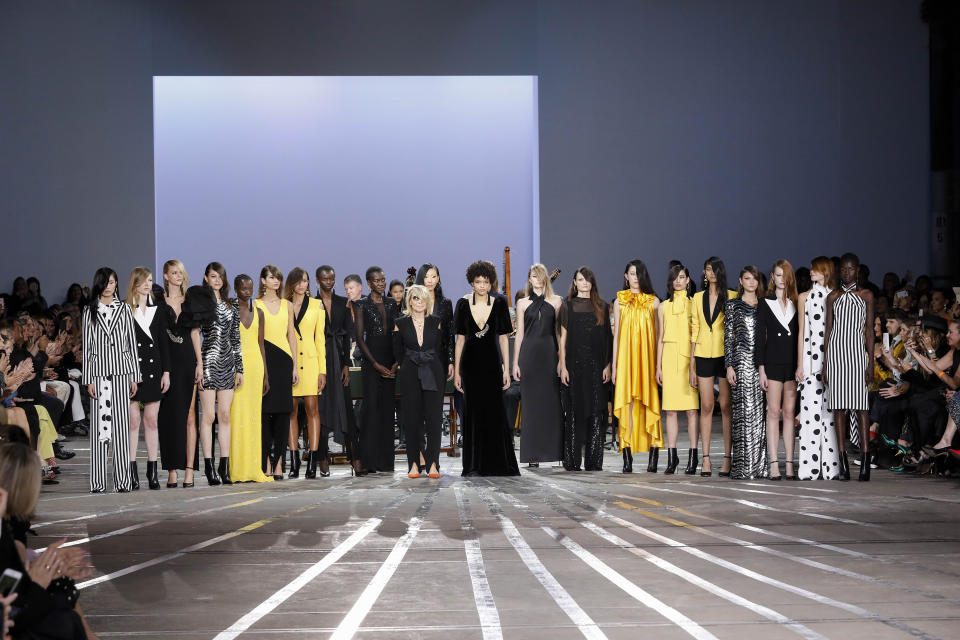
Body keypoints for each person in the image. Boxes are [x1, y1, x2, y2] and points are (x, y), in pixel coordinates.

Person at [0, 444, 98, 640]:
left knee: (64, 605)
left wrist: (44, 567)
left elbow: (7, 584)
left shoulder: (6, 526)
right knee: (63, 621)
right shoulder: (9, 528)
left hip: (13, 611)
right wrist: (36, 581)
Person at [454, 261, 520, 476]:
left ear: (491, 282)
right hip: (470, 365)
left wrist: (506, 369)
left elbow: (503, 338)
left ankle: (498, 465)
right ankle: (473, 466)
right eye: (478, 282)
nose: (482, 286)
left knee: (494, 413)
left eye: (485, 282)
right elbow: (460, 340)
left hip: (492, 364)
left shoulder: (500, 302)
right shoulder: (462, 304)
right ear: (471, 282)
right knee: (473, 414)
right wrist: (456, 371)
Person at [82, 267, 141, 493]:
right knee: (99, 430)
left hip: (121, 373)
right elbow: (87, 347)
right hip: (98, 374)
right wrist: (88, 379)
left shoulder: (125, 309)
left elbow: (130, 343)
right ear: (99, 284)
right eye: (106, 282)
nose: (110, 286)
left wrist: (135, 376)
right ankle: (97, 483)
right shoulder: (89, 311)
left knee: (121, 429)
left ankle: (123, 481)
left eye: (113, 282)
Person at [823, 253, 876, 481]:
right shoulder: (832, 297)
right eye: (843, 270)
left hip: (856, 355)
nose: (847, 273)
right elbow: (828, 331)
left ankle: (865, 460)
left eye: (851, 269)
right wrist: (825, 364)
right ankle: (843, 464)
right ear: (839, 272)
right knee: (839, 409)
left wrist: (871, 361)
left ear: (858, 270)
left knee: (862, 408)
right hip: (836, 355)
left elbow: (870, 331)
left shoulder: (866, 295)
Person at [558, 267, 611, 471]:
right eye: (581, 280)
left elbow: (608, 339)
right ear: (574, 283)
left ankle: (593, 462)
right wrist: (563, 367)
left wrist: (607, 366)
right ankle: (572, 462)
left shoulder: (602, 306)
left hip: (597, 368)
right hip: (574, 367)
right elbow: (562, 341)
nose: (585, 283)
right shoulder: (567, 307)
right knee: (573, 413)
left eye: (588, 279)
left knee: (596, 413)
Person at [611, 259, 662, 473]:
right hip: (625, 360)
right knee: (628, 405)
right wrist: (614, 366)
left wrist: (659, 366)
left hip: (647, 360)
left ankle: (653, 454)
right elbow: (616, 337)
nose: (635, 278)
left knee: (649, 403)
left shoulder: (654, 302)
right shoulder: (619, 301)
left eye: (638, 274)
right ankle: (627, 455)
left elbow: (659, 336)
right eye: (632, 274)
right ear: (626, 276)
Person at [157, 259, 204, 488]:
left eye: (181, 272)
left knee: (189, 416)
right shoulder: (158, 302)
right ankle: (171, 470)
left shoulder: (190, 301)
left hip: (187, 361)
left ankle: (189, 470)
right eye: (173, 272)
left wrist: (200, 364)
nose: (178, 276)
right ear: (165, 276)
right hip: (166, 363)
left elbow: (195, 334)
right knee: (168, 418)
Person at [689, 257, 736, 476]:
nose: (712, 273)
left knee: (726, 406)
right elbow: (694, 330)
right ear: (704, 272)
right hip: (703, 354)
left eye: (716, 269)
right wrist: (691, 365)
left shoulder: (732, 296)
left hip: (725, 355)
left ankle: (728, 458)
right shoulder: (697, 298)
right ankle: (705, 459)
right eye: (709, 269)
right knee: (706, 406)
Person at [513, 264, 564, 468]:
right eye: (534, 276)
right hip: (529, 356)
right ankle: (532, 455)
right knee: (531, 407)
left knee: (551, 405)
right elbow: (519, 334)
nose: (538, 279)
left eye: (541, 276)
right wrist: (516, 363)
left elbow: (559, 333)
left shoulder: (558, 301)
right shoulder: (522, 303)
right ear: (529, 279)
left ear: (546, 278)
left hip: (550, 355)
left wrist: (562, 360)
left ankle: (553, 453)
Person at [125, 267, 171, 491]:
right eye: (143, 281)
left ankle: (152, 472)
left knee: (151, 421)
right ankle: (131, 472)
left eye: (150, 280)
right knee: (133, 422)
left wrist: (167, 372)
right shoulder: (124, 310)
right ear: (134, 283)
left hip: (154, 370)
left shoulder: (157, 309)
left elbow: (164, 343)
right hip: (132, 373)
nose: (147, 284)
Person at [393, 285, 446, 478]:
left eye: (423, 298)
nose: (419, 302)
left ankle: (433, 464)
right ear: (409, 301)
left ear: (428, 301)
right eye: (415, 298)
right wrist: (406, 365)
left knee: (433, 420)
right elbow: (397, 351)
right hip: (410, 373)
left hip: (433, 371)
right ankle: (414, 464)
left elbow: (440, 348)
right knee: (412, 420)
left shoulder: (436, 321)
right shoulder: (400, 322)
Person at [197, 262, 242, 486]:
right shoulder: (200, 303)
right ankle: (208, 467)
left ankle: (224, 467)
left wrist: (240, 368)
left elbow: (236, 339)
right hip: (206, 362)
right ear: (206, 278)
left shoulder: (231, 306)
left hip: (228, 363)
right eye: (213, 276)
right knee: (208, 416)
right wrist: (198, 365)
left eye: (220, 277)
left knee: (224, 415)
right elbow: (195, 335)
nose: (217, 280)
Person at [796, 257, 839, 480]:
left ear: (825, 271)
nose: (811, 272)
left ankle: (831, 468)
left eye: (815, 269)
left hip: (831, 362)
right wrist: (800, 365)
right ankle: (809, 469)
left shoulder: (836, 296)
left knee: (829, 415)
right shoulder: (804, 297)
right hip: (811, 362)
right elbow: (802, 333)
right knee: (809, 415)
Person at [255, 265, 299, 480]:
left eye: (278, 278)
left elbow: (292, 335)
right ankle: (265, 462)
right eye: (272, 277)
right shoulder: (255, 305)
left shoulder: (287, 305)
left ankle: (280, 460)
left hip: (283, 360)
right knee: (264, 414)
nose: (276, 281)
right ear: (263, 280)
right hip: (263, 361)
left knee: (283, 414)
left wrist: (295, 365)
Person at [757, 260, 800, 481]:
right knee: (773, 412)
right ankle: (774, 463)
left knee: (790, 414)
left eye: (784, 275)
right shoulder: (765, 303)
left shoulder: (796, 302)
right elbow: (760, 338)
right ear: (772, 277)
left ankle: (790, 464)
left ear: (789, 277)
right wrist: (761, 369)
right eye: (776, 275)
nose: (780, 279)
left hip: (792, 365)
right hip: (772, 363)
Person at [354, 267, 399, 474]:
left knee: (388, 412)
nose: (381, 283)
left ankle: (386, 463)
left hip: (390, 363)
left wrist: (396, 362)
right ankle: (368, 462)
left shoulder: (392, 303)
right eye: (377, 281)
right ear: (369, 283)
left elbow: (397, 334)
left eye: (383, 280)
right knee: (370, 411)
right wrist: (374, 364)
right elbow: (360, 339)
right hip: (372, 363)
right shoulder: (361, 304)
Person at [229, 275, 273, 483]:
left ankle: (254, 467)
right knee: (237, 415)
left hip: (255, 366)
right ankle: (237, 469)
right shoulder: (230, 310)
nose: (247, 292)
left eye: (250, 288)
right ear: (236, 288)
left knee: (254, 416)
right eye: (243, 288)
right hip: (236, 367)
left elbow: (261, 344)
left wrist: (266, 373)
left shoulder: (259, 312)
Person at [656, 263, 699, 474]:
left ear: (688, 280)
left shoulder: (694, 304)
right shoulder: (663, 307)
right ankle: (672, 458)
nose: (678, 281)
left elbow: (696, 337)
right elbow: (660, 339)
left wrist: (693, 365)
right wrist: (658, 366)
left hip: (688, 361)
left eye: (682, 277)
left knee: (692, 410)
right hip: (669, 359)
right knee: (670, 411)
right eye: (675, 277)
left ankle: (693, 456)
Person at [725, 266, 767, 480]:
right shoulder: (733, 305)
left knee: (759, 414)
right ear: (740, 281)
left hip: (761, 364)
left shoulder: (765, 305)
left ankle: (760, 466)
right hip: (740, 363)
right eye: (747, 278)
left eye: (754, 279)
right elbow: (728, 338)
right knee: (742, 413)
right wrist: (729, 366)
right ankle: (742, 466)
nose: (751, 282)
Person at [316, 266, 358, 475]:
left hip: (339, 360)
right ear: (318, 280)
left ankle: (355, 456)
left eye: (332, 278)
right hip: (319, 362)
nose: (329, 282)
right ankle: (322, 457)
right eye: (325, 278)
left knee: (346, 410)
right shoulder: (312, 304)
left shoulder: (343, 303)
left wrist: (346, 366)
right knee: (321, 409)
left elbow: (348, 337)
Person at [286, 268, 327, 478]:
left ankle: (312, 460)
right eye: (299, 281)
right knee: (291, 412)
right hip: (290, 363)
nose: (303, 285)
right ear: (291, 284)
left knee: (313, 409)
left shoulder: (316, 305)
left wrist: (323, 370)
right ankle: (293, 461)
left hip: (311, 363)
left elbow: (320, 339)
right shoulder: (284, 305)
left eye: (306, 281)